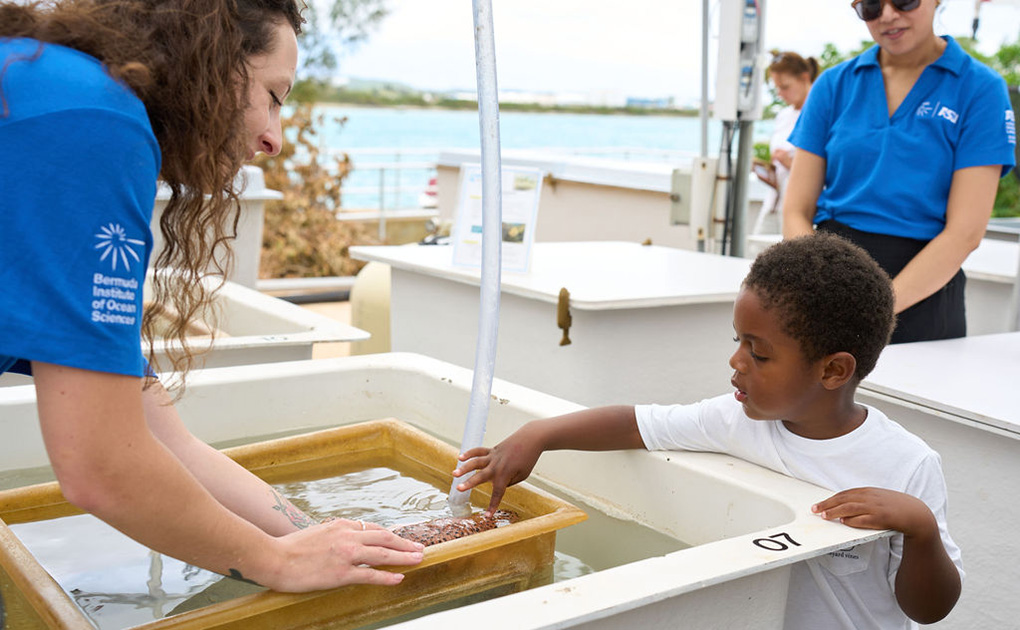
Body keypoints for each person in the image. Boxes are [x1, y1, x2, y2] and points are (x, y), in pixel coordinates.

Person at [0, 0, 423, 593]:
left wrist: (313, 535)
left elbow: (162, 439)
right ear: (214, 62)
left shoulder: (57, 91)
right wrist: (279, 563)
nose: (274, 138)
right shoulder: (95, 121)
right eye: (274, 96)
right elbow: (101, 467)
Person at [454, 233, 963, 628]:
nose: (736, 361)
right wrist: (540, 434)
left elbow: (929, 609)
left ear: (833, 371)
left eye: (758, 353)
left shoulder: (906, 464)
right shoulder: (734, 418)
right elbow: (636, 423)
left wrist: (919, 529)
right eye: (738, 340)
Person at [782, 0, 1016, 343]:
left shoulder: (979, 89)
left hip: (924, 286)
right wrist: (819, 288)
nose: (888, 15)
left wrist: (872, 309)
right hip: (830, 281)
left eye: (904, 1)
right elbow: (795, 210)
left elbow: (965, 233)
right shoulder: (834, 84)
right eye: (872, 7)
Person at [752, 50, 819, 235]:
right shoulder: (783, 116)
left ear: (805, 78)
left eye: (785, 87)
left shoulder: (821, 114)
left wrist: (791, 164)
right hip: (776, 200)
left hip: (804, 207)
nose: (781, 94)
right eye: (777, 89)